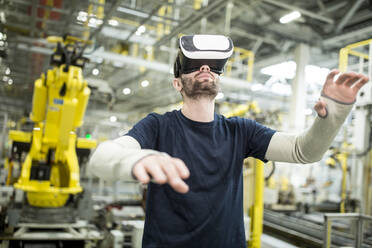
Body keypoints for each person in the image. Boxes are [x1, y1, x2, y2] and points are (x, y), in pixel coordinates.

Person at [88, 35, 369, 247]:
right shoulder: (158, 126)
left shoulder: (241, 130)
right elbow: (101, 158)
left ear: (219, 79)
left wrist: (332, 116)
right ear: (177, 83)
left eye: (213, 66)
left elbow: (302, 151)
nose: (205, 68)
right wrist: (138, 157)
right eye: (194, 65)